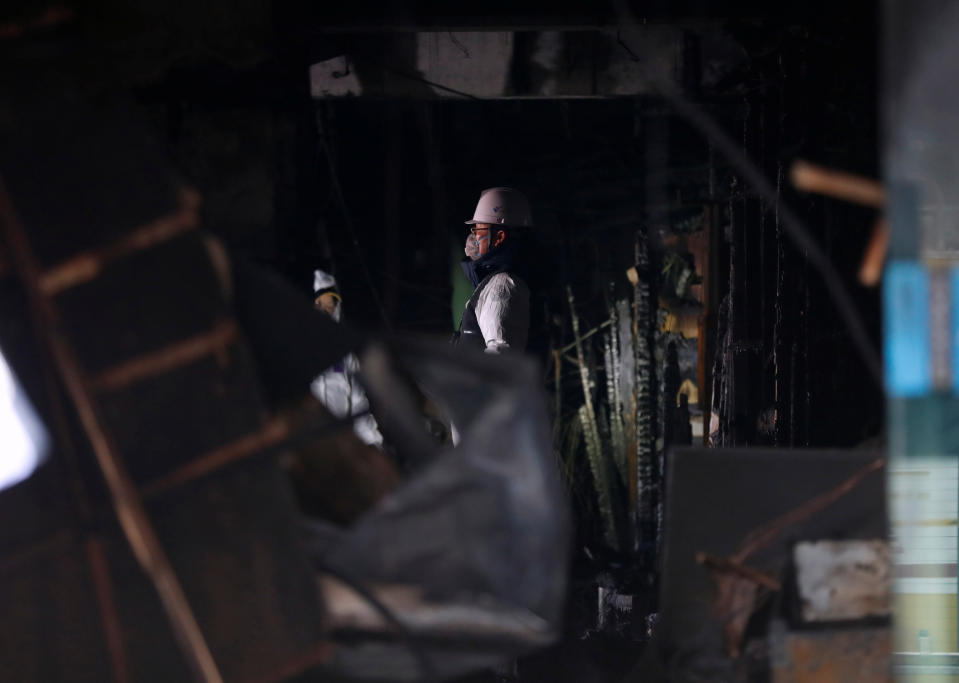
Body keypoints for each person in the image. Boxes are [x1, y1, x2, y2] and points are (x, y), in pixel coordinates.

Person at [454, 187, 536, 354]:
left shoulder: (503, 285)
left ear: (499, 237)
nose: (474, 238)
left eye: (478, 231)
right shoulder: (497, 281)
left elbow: (501, 357)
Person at [310, 269, 383, 447]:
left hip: (344, 431)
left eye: (330, 304)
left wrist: (374, 439)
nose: (327, 309)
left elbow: (357, 396)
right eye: (322, 304)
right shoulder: (306, 342)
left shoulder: (345, 347)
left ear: (337, 307)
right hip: (318, 430)